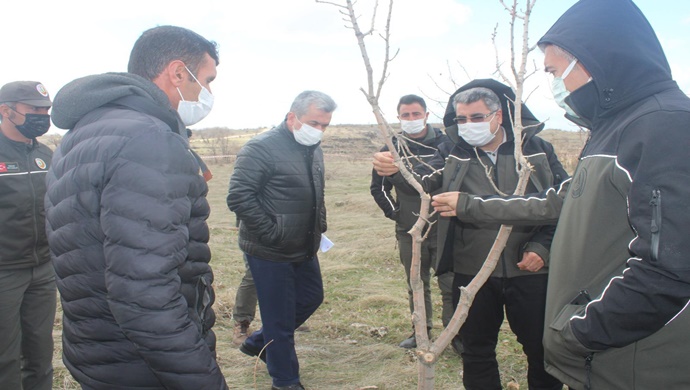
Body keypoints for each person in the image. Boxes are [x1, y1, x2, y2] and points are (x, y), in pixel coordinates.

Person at [430, 1, 690, 389]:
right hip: (610, 355)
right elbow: (560, 200)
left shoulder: (662, 127)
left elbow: (669, 267)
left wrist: (577, 333)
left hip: (636, 359)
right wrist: (468, 205)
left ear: (592, 60)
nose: (555, 84)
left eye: (553, 71)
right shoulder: (612, 129)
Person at [45, 26, 227, 389]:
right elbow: (145, 294)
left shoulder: (83, 134)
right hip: (142, 364)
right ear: (178, 73)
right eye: (206, 80)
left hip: (96, 350)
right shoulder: (148, 140)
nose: (208, 93)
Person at [374, 79, 566, 390]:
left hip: (529, 269)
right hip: (472, 270)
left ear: (498, 116)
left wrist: (542, 248)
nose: (468, 125)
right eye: (461, 119)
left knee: (540, 350)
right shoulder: (452, 151)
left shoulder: (536, 151)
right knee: (476, 352)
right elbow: (425, 184)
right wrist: (395, 169)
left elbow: (563, 204)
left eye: (477, 117)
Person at [227, 90, 336, 390]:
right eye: (315, 122)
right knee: (279, 317)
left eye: (325, 125)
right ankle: (285, 381)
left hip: (304, 245)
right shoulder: (260, 148)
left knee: (311, 297)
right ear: (292, 117)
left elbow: (317, 193)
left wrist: (319, 226)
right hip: (269, 249)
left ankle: (258, 343)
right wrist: (272, 233)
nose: (319, 130)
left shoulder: (313, 148)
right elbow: (239, 197)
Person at [369, 94, 456, 350]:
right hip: (408, 230)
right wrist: (396, 213)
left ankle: (454, 336)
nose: (411, 119)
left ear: (427, 115)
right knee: (416, 283)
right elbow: (378, 189)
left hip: (444, 227)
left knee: (450, 283)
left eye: (416, 114)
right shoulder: (390, 148)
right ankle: (420, 334)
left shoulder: (447, 144)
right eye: (405, 115)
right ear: (398, 118)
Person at [0, 81, 55, 390]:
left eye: (46, 110)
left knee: (39, 354)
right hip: (4, 271)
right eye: (34, 110)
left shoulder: (46, 155)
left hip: (42, 270)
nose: (42, 116)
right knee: (4, 357)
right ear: (6, 111)